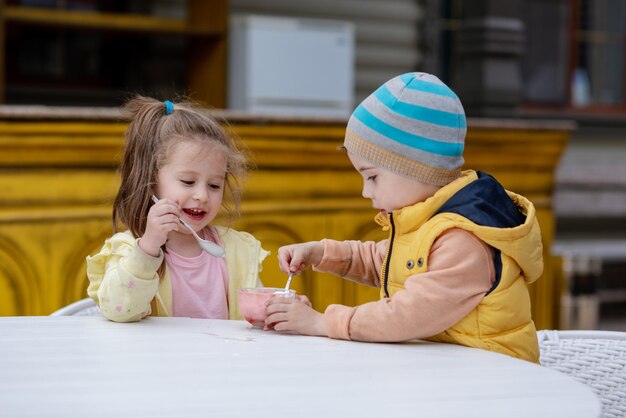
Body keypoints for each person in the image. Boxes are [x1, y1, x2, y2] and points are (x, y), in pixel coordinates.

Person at [265, 72, 543, 363]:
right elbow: (382, 261)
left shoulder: (463, 237)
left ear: (418, 168)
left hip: (497, 379)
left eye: (371, 176)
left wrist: (322, 323)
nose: (365, 192)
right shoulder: (426, 218)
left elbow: (409, 315)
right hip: (452, 369)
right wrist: (321, 252)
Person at [87, 96, 268, 322]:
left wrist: (276, 310)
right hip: (159, 357)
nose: (202, 196)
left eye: (214, 185)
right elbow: (118, 310)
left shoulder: (236, 250)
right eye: (188, 182)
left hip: (222, 357)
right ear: (152, 181)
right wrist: (148, 248)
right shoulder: (128, 249)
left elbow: (256, 316)